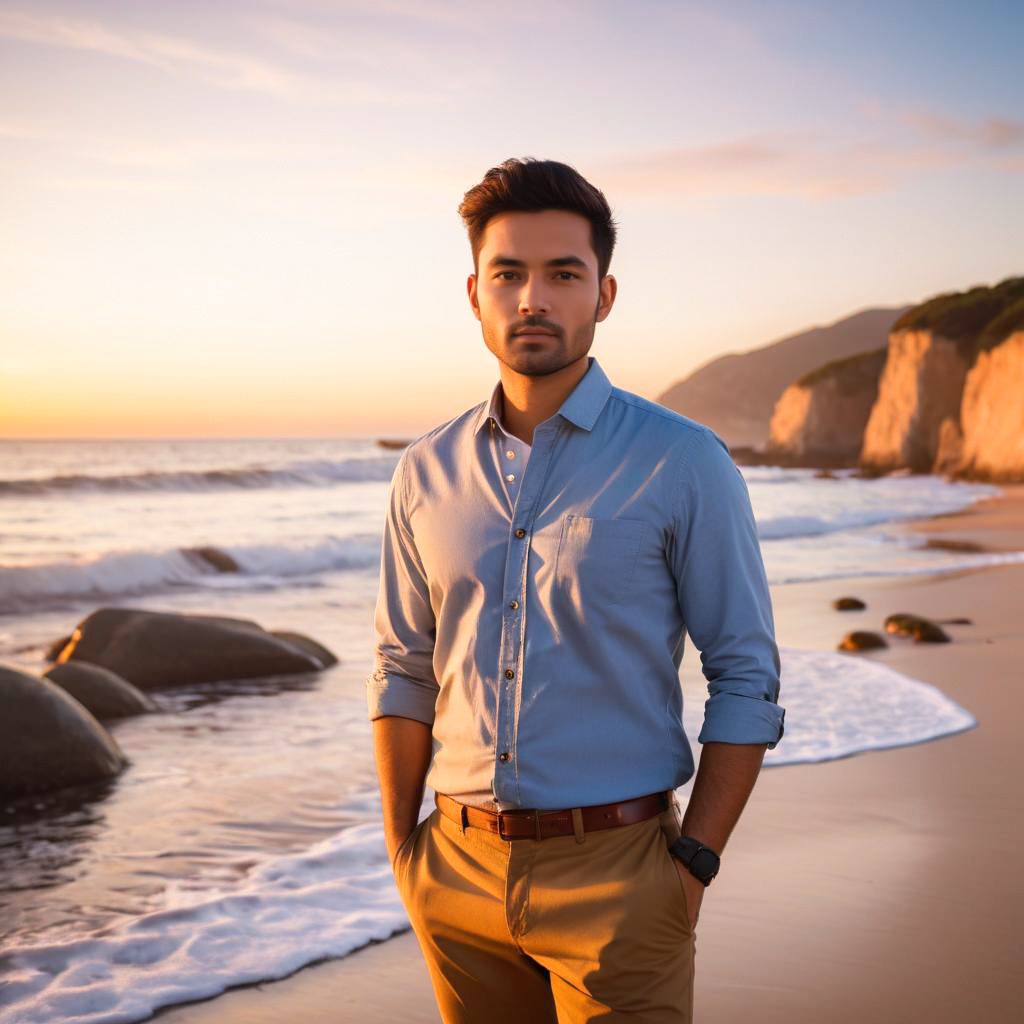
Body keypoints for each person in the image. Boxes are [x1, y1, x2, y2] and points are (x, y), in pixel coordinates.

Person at [367, 156, 785, 1023]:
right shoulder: (424, 472)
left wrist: (693, 864)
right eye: (508, 274)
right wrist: (403, 851)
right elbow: (404, 667)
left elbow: (745, 675)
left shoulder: (683, 460)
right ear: (474, 293)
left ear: (604, 294)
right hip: (455, 871)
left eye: (564, 274)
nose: (533, 299)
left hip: (623, 876)